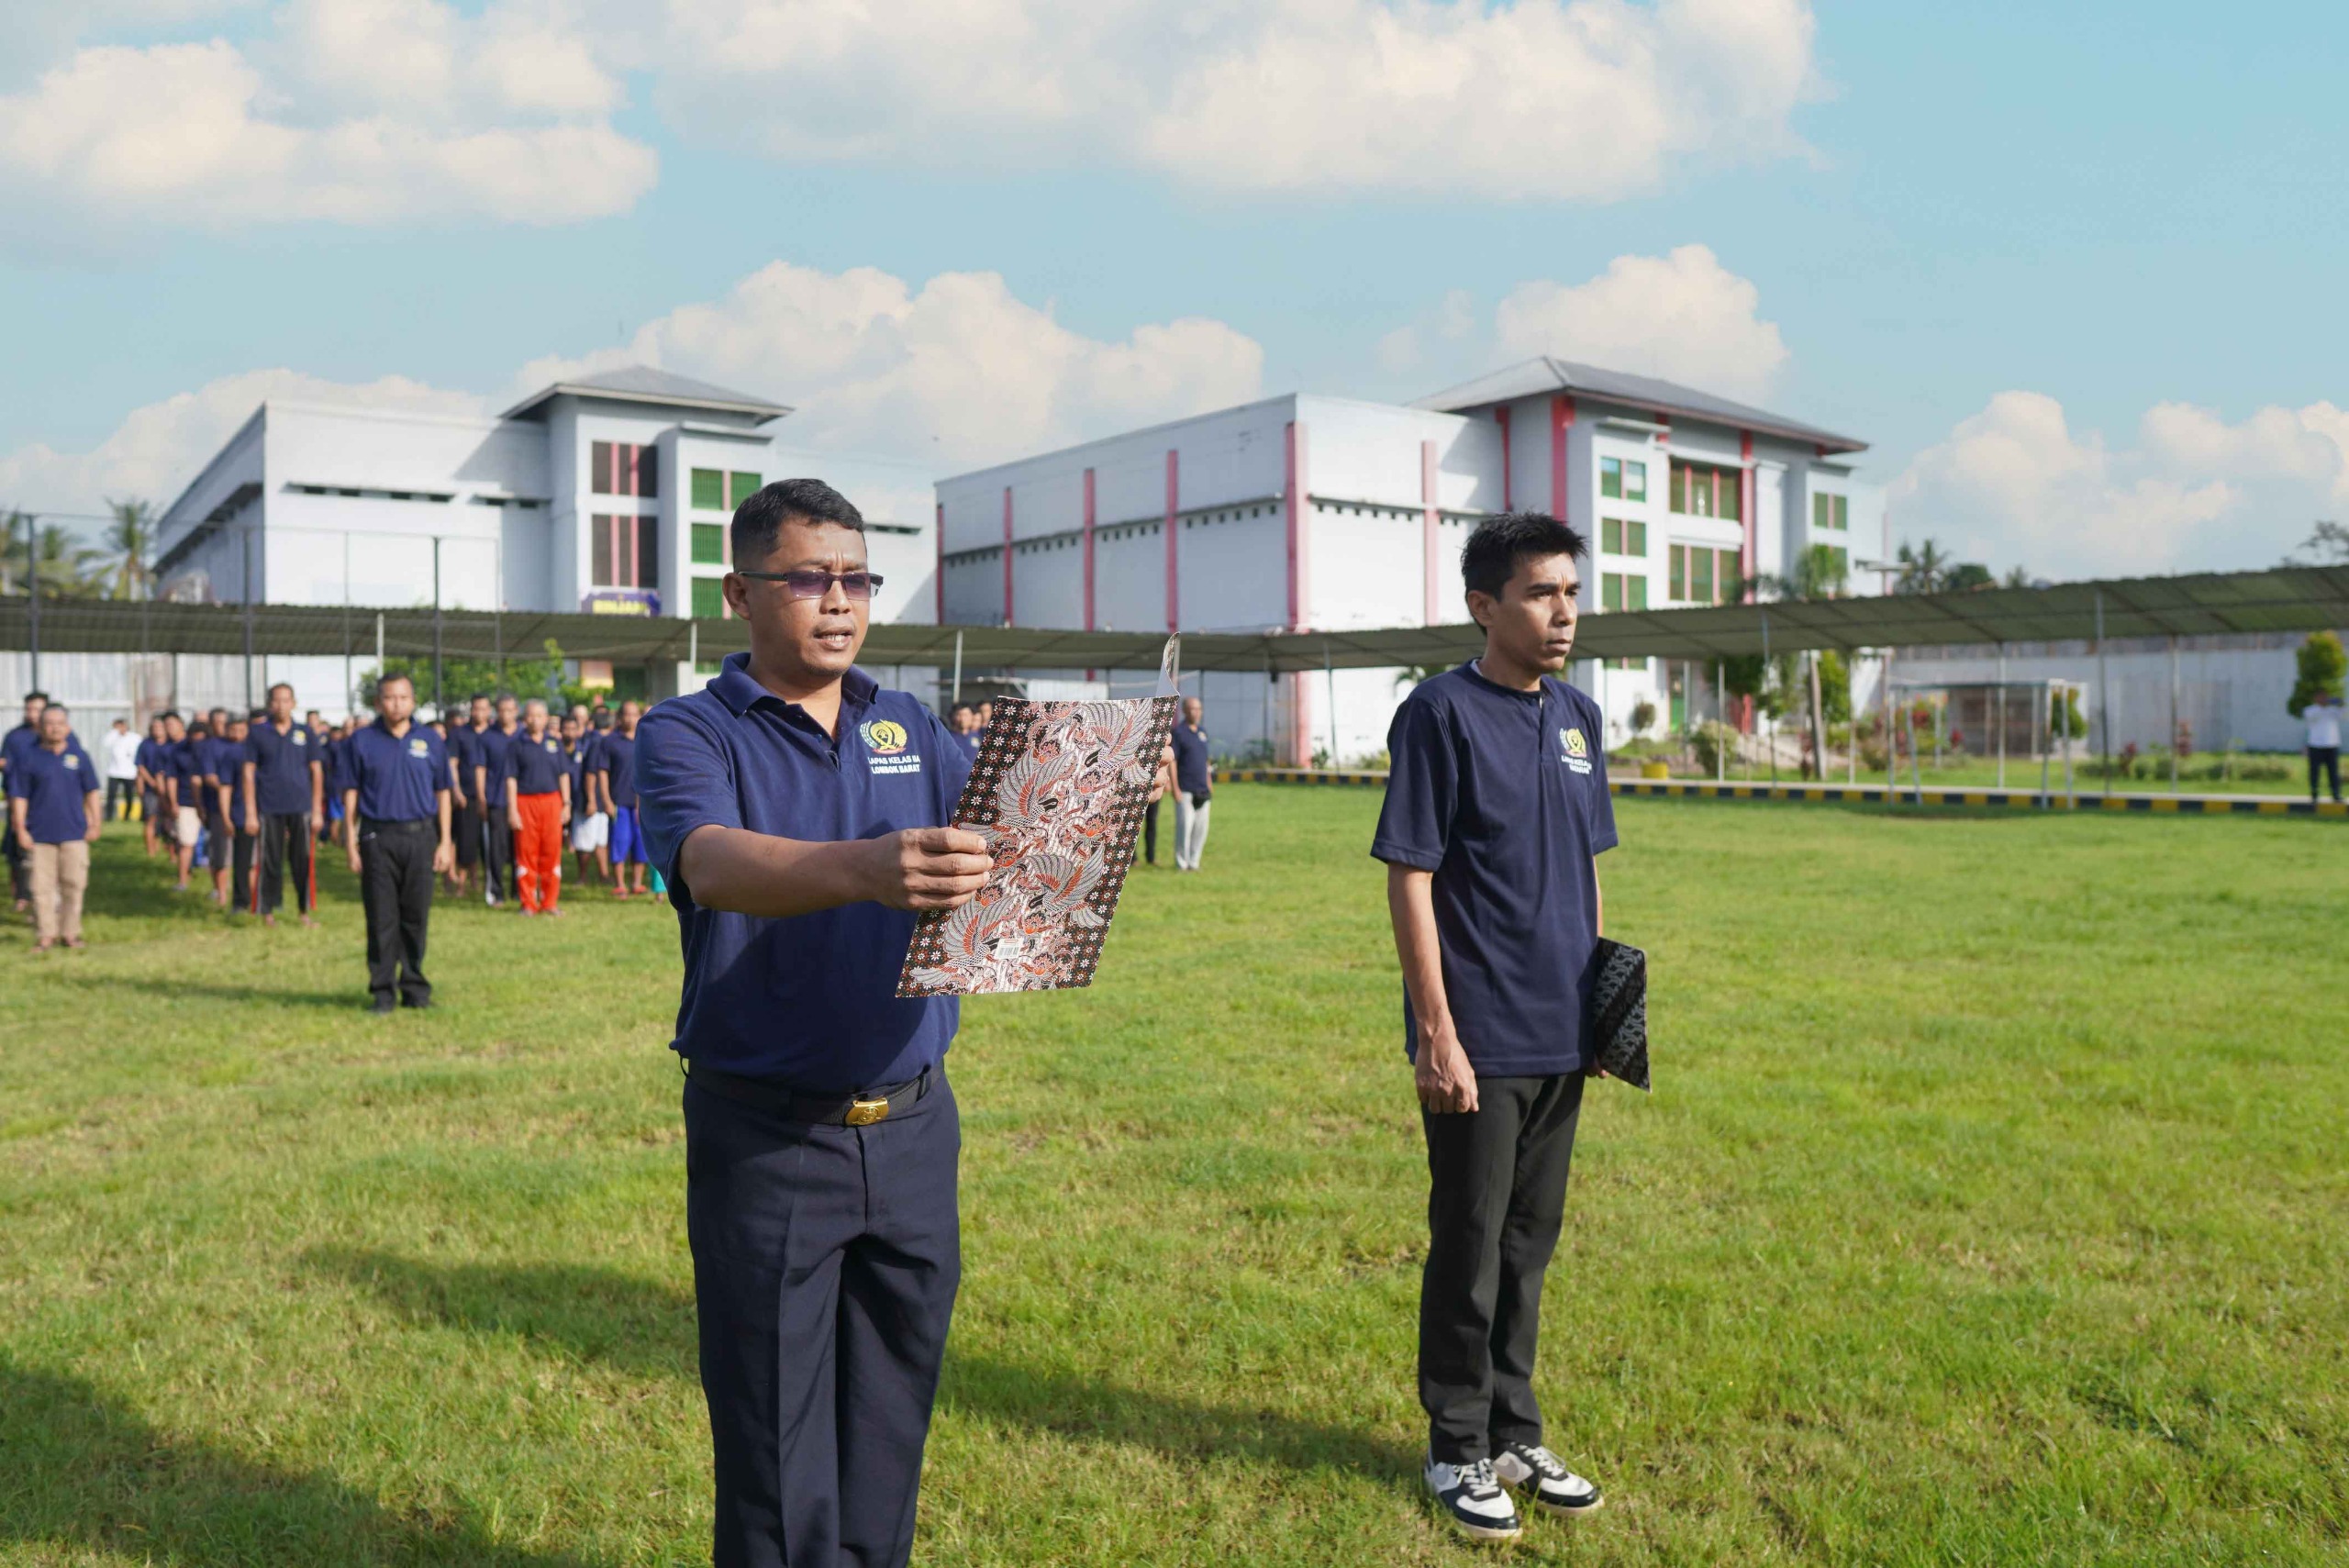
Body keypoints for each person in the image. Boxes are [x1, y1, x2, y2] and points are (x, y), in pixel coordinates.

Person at [635, 478, 990, 1568]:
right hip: (771, 1136)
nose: (837, 602)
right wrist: (866, 869)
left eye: (855, 578)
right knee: (773, 1439)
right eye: (807, 578)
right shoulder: (691, 729)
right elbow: (709, 859)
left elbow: (1003, 834)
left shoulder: (908, 723)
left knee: (888, 1423)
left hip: (915, 1126)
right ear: (741, 591)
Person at [1372, 513, 1614, 1542]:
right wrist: (1436, 1030)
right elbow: (1411, 875)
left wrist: (1605, 1005)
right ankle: (1455, 1442)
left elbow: (1589, 864)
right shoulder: (1438, 713)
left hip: (1564, 1029)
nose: (1561, 612)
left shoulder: (1577, 715)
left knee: (1530, 1242)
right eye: (1538, 593)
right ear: (1485, 604)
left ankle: (1516, 1429)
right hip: (1479, 1035)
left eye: (1569, 591)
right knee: (1468, 1241)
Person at [340, 673, 452, 1013]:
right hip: (378, 837)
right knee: (381, 916)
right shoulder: (361, 742)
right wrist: (349, 841)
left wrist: (445, 841)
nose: (396, 704)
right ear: (378, 702)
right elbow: (350, 794)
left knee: (415, 916)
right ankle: (383, 991)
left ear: (413, 701)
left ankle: (415, 988)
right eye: (389, 698)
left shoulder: (430, 740)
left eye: (403, 697)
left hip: (421, 837)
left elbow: (443, 792)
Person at [8, 703, 102, 951]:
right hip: (39, 835)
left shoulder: (79, 757)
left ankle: (70, 933)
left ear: (68, 727)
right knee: (41, 888)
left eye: (60, 724)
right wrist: (21, 829)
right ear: (40, 727)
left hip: (74, 833)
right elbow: (19, 796)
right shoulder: (28, 759)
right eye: (49, 724)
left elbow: (92, 792)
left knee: (74, 885)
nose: (55, 728)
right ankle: (46, 935)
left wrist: (95, 823)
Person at [243, 683, 323, 926]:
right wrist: (250, 813)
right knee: (270, 860)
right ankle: (267, 911)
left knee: (302, 860)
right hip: (269, 807)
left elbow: (316, 771)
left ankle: (304, 911)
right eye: (276, 700)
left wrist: (317, 810)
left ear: (294, 703)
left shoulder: (305, 733)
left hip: (301, 806)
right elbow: (248, 773)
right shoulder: (258, 733)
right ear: (270, 704)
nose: (281, 705)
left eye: (286, 700)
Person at [506, 697, 573, 917]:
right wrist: (513, 809)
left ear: (546, 718)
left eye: (539, 715)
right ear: (525, 718)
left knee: (552, 853)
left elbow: (564, 775)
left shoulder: (554, 744)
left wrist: (566, 803)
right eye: (531, 715)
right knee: (526, 854)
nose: (535, 720)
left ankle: (550, 902)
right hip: (525, 802)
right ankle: (528, 903)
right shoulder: (516, 745)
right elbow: (511, 779)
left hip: (552, 802)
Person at [3, 690, 50, 911]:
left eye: (37, 709)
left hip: (45, 803)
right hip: (19, 800)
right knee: (17, 851)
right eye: (29, 709)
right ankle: (21, 896)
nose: (32, 714)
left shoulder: (54, 737)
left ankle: (43, 896)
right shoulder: (14, 737)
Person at [473, 694, 520, 906]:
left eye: (510, 710)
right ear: (496, 712)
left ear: (516, 712)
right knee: (496, 850)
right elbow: (480, 769)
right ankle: (496, 892)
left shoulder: (523, 736)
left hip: (521, 802)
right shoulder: (486, 737)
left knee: (520, 849)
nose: (506, 714)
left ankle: (519, 891)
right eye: (502, 710)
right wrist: (481, 797)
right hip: (496, 800)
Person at [599, 699, 647, 899]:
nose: (630, 718)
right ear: (619, 717)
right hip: (619, 800)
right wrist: (607, 800)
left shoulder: (646, 739)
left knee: (640, 844)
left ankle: (637, 883)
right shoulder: (610, 741)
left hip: (642, 802)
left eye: (634, 714)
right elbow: (602, 772)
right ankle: (620, 885)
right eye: (626, 714)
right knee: (620, 842)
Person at [221, 712, 259, 915]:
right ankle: (241, 902)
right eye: (234, 730)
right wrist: (226, 816)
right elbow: (225, 787)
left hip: (268, 812)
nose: (238, 734)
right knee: (242, 861)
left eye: (242, 730)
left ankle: (265, 900)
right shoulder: (233, 753)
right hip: (241, 813)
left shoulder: (263, 749)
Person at [563, 711, 606, 886]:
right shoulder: (567, 746)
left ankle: (604, 874)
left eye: (581, 719)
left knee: (600, 839)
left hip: (595, 798)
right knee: (582, 841)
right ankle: (582, 877)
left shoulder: (592, 741)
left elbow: (593, 772)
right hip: (579, 798)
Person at [1170, 695, 1212, 871]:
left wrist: (1209, 782)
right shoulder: (1179, 733)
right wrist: (1175, 787)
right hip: (1185, 789)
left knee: (1200, 829)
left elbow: (1205, 761)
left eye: (1199, 709)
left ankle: (1194, 862)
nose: (1196, 712)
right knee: (1185, 828)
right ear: (1185, 711)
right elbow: (1173, 761)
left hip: (1202, 790)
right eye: (1193, 709)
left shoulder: (1202, 733)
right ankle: (1182, 863)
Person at [160, 712, 200, 890]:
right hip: (186, 801)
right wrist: (172, 802)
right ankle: (183, 880)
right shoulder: (176, 751)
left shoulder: (210, 748)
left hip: (209, 803)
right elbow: (170, 778)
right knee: (185, 842)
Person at [136, 717, 170, 856]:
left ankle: (171, 852)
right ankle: (151, 851)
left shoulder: (170, 744)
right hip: (151, 789)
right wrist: (151, 782)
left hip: (169, 789)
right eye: (154, 727)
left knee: (168, 820)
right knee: (151, 818)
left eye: (160, 727)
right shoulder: (145, 744)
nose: (157, 730)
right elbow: (140, 766)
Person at [2304, 692, 2343, 805]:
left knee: (2333, 771)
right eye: (2321, 697)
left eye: (2326, 697)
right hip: (2315, 744)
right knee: (2314, 771)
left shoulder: (2333, 711)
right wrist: (2323, 707)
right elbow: (2312, 718)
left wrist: (2341, 705)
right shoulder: (2310, 710)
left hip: (2332, 744)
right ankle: (2314, 793)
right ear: (2315, 698)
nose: (2324, 699)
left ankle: (2336, 794)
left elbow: (2344, 715)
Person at [103, 717, 140, 820]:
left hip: (129, 772)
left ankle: (127, 816)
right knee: (111, 796)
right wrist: (114, 732)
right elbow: (105, 744)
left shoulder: (135, 737)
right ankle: (109, 817)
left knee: (129, 796)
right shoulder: (113, 737)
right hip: (114, 772)